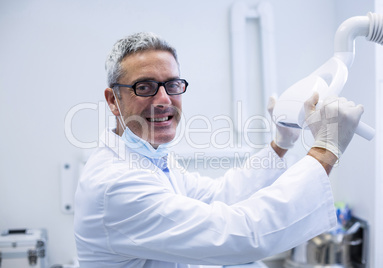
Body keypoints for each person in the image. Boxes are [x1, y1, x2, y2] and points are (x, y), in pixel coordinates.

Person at [74, 32, 364, 268]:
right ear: (113, 100)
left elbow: (217, 195)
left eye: (172, 85)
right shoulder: (117, 183)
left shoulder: (149, 159)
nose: (164, 99)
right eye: (145, 87)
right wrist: (326, 149)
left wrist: (281, 143)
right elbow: (236, 236)